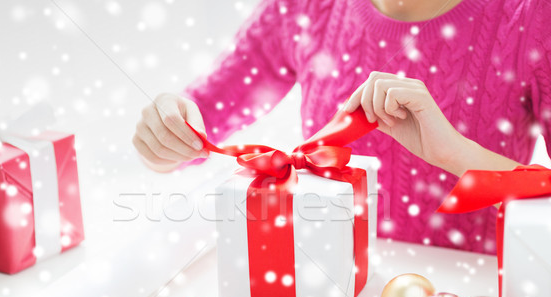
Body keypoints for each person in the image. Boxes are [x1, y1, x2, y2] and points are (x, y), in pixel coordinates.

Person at [133, 0, 551, 255]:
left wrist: (454, 154)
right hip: (328, 290)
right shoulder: (303, 6)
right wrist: (166, 135)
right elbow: (198, 120)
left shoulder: (533, 16)